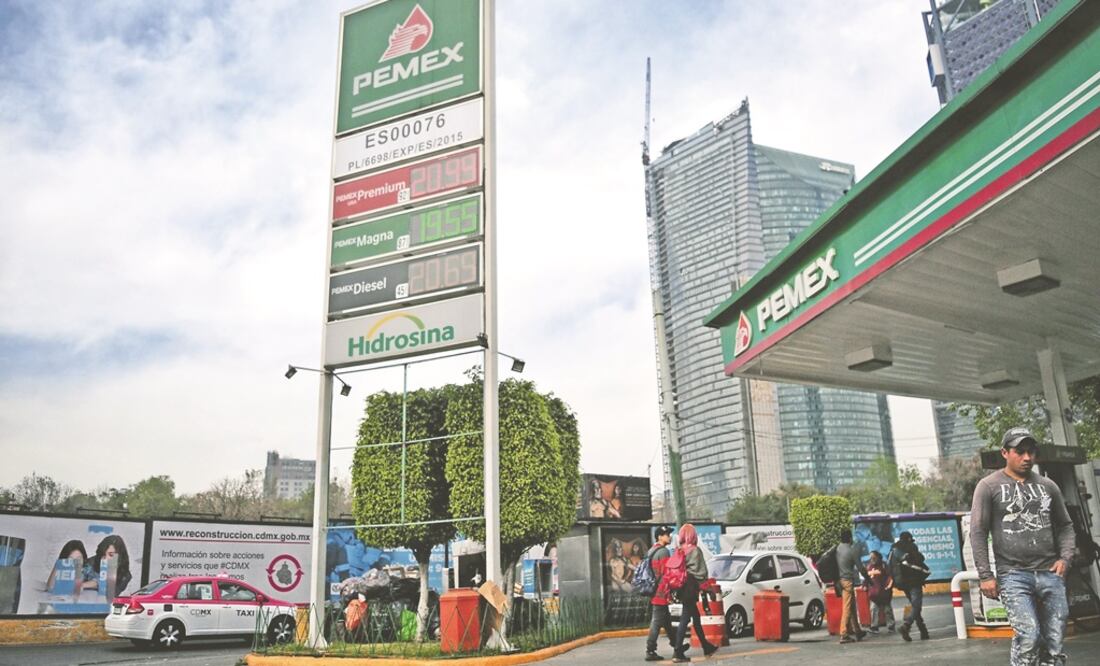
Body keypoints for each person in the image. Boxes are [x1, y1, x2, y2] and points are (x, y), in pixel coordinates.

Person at [970, 427, 1075, 666]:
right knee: (1028, 635)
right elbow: (977, 532)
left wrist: (1065, 558)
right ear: (1005, 452)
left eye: (1031, 452)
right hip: (1013, 575)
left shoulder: (1048, 486)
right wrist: (986, 576)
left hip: (1050, 572)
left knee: (1055, 641)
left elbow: (1066, 526)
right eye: (1020, 451)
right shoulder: (988, 486)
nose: (1027, 457)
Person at [672, 524, 718, 662]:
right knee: (685, 618)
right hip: (691, 588)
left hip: (681, 588)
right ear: (693, 536)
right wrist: (708, 589)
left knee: (695, 617)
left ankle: (706, 646)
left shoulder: (679, 550)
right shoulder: (695, 551)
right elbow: (701, 573)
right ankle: (677, 651)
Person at [644, 526, 678, 662]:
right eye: (666, 534)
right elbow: (666, 575)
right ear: (659, 537)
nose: (669, 536)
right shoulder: (663, 552)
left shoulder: (652, 550)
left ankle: (677, 645)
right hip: (660, 592)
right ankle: (650, 650)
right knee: (657, 622)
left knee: (666, 621)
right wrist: (669, 593)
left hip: (653, 590)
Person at [890, 531, 930, 642]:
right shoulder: (912, 546)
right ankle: (906, 625)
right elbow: (919, 559)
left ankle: (923, 631)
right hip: (914, 580)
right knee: (916, 605)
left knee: (914, 605)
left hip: (902, 582)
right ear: (908, 539)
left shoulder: (893, 549)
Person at [836, 529, 868, 644]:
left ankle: (857, 630)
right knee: (847, 608)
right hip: (848, 581)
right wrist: (868, 578)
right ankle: (844, 634)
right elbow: (860, 568)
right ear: (850, 538)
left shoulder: (838, 548)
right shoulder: (852, 550)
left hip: (840, 581)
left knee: (852, 606)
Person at [865, 550, 895, 633]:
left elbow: (890, 577)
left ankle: (891, 626)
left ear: (878, 557)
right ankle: (874, 627)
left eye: (874, 557)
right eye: (871, 558)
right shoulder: (869, 566)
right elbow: (866, 578)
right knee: (873, 609)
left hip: (884, 592)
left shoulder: (884, 565)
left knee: (887, 609)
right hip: (874, 593)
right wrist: (864, 585)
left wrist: (888, 587)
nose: (872, 559)